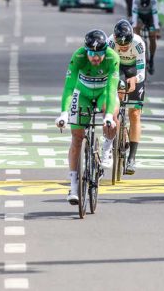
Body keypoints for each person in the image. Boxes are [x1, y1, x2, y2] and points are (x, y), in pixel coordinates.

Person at [55, 30, 119, 205]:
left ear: (105, 51)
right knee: (76, 137)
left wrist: (107, 116)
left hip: (103, 93)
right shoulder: (78, 56)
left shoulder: (112, 57)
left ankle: (107, 148)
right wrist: (64, 113)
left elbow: (112, 89)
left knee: (112, 117)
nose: (96, 58)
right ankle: (74, 185)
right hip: (82, 93)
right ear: (86, 51)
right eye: (92, 54)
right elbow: (68, 87)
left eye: (99, 54)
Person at [107, 19, 146, 174]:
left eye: (126, 46)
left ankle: (132, 158)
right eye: (120, 46)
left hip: (134, 70)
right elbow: (108, 68)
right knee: (116, 102)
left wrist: (136, 79)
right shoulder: (110, 42)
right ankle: (119, 131)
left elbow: (143, 71)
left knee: (135, 114)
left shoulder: (138, 43)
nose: (123, 48)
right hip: (117, 68)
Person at [132, 0, 160, 75]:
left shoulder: (153, 0)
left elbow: (155, 15)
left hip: (150, 17)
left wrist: (156, 27)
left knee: (152, 36)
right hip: (140, 16)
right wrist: (134, 26)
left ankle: (151, 59)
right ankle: (138, 55)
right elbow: (134, 15)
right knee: (136, 32)